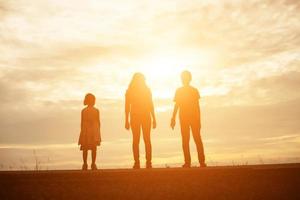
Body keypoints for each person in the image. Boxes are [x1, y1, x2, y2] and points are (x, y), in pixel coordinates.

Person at [170, 70, 206, 168]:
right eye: (183, 77)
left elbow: (197, 106)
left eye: (185, 77)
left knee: (197, 139)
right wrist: (173, 118)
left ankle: (202, 162)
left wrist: (199, 120)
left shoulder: (194, 90)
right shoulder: (179, 91)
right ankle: (187, 162)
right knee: (185, 140)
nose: (184, 79)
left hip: (194, 118)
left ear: (189, 78)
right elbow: (176, 105)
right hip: (183, 118)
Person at [125, 73, 157, 169]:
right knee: (136, 140)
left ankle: (148, 162)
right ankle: (137, 162)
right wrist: (126, 120)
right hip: (135, 117)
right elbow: (127, 106)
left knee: (146, 139)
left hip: (146, 117)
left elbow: (151, 104)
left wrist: (154, 118)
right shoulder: (130, 91)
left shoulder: (147, 90)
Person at [78, 93, 101, 170]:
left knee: (85, 148)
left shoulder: (83, 111)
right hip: (93, 131)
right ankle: (93, 164)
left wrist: (82, 132)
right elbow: (98, 122)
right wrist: (98, 133)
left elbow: (82, 123)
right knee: (93, 148)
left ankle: (85, 164)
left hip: (86, 130)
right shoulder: (96, 110)